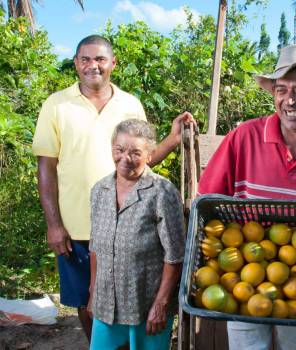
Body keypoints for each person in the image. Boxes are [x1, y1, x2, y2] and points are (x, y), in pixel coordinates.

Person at [32, 34, 193, 342]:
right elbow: (46, 167)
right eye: (86, 59)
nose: (93, 65)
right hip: (77, 227)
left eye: (100, 59)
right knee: (88, 302)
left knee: (132, 302)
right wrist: (54, 224)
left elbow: (142, 159)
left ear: (113, 64)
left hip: (132, 229)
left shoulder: (129, 103)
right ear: (76, 63)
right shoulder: (57, 105)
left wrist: (172, 139)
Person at [198, 44, 296, 349]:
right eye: (281, 90)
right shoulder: (244, 138)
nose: (289, 100)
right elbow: (207, 201)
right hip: (241, 280)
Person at [88, 119, 185, 350]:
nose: (125, 158)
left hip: (146, 307)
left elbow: (175, 255)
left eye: (135, 153)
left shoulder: (162, 191)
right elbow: (95, 248)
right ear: (112, 148)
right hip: (106, 303)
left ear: (150, 155)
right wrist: (93, 292)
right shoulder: (100, 190)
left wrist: (160, 305)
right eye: (119, 150)